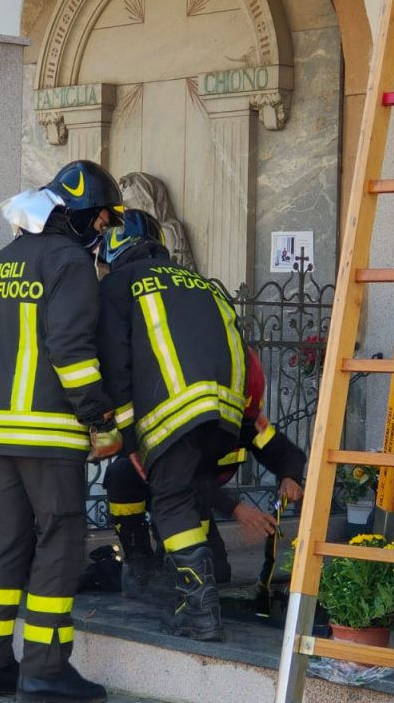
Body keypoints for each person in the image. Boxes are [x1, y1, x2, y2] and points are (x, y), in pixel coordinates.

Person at [0, 160, 123, 703]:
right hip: (49, 437)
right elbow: (73, 352)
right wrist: (100, 419)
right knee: (60, 544)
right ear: (78, 216)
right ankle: (46, 670)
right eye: (101, 221)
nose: (103, 232)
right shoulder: (69, 263)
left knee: (3, 544)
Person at [95, 209, 247, 642]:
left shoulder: (118, 286)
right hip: (223, 415)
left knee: (171, 501)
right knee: (188, 496)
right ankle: (194, 591)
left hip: (172, 413)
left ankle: (200, 610)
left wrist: (128, 437)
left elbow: (116, 363)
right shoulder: (203, 284)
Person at [108, 344, 306, 598]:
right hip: (161, 489)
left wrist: (290, 476)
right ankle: (139, 563)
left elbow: (285, 452)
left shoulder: (246, 421)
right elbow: (186, 477)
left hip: (194, 499)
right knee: (122, 473)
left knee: (216, 575)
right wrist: (236, 508)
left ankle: (167, 561)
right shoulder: (191, 421)